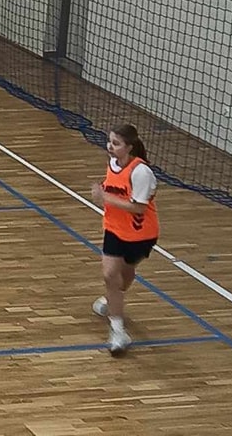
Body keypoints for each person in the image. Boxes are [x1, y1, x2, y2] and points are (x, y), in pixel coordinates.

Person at [89, 124, 159, 356]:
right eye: (110, 141)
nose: (110, 146)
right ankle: (118, 331)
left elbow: (138, 207)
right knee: (110, 275)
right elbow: (113, 188)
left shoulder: (141, 172)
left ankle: (112, 299)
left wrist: (105, 197)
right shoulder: (112, 164)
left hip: (140, 234)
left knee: (125, 276)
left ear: (129, 147)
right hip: (114, 229)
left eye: (116, 143)